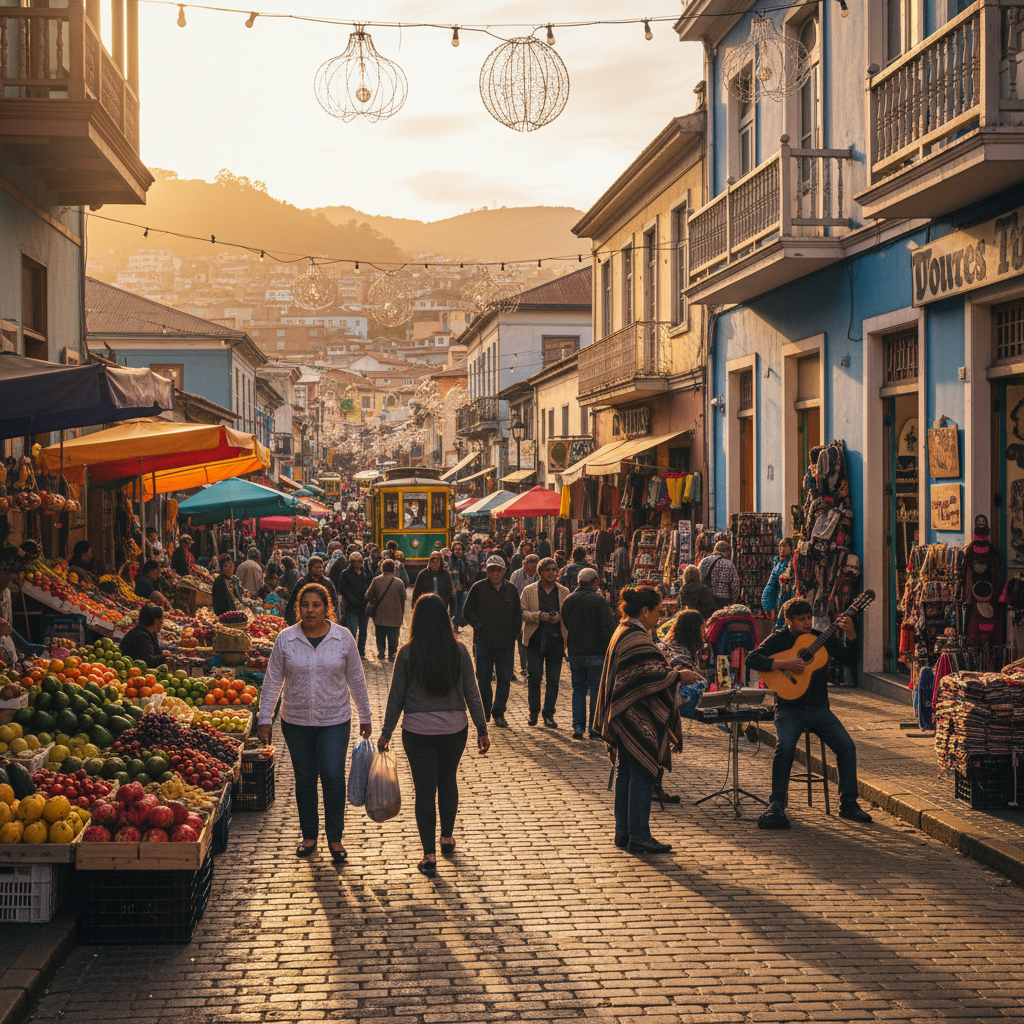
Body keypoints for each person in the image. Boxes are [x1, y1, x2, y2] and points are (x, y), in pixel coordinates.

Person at [257, 582, 372, 864]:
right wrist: (265, 717)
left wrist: (365, 715)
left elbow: (356, 679)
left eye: (316, 605)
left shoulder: (343, 638)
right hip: (295, 722)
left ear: (326, 608)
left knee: (332, 776)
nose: (310, 610)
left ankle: (335, 837)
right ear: (299, 608)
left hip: (335, 720)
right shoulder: (286, 639)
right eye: (305, 605)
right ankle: (309, 835)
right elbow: (272, 680)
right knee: (305, 779)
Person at [378, 594, 490, 877]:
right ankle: (447, 838)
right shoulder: (459, 651)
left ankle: (429, 855)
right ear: (444, 618)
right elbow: (472, 693)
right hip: (454, 729)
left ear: (415, 619)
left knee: (425, 790)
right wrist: (482, 729)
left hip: (417, 731)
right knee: (448, 780)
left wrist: (386, 733)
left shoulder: (407, 653)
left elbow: (396, 698)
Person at [747, 597, 872, 829]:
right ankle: (776, 805)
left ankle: (849, 804)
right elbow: (752, 658)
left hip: (819, 708)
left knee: (847, 746)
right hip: (789, 709)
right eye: (801, 619)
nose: (807, 623)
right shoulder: (780, 638)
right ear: (789, 621)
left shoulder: (821, 637)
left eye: (808, 618)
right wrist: (784, 664)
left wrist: (852, 634)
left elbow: (850, 659)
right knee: (785, 747)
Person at [593, 586, 682, 855]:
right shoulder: (637, 637)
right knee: (642, 771)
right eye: (657, 612)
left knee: (627, 771)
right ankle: (639, 835)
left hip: (623, 714)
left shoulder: (624, 630)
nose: (659, 617)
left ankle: (624, 832)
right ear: (644, 611)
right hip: (634, 715)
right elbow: (649, 677)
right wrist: (678, 676)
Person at [462, 555, 522, 728]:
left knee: (504, 679)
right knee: (484, 679)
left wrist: (513, 633)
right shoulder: (478, 588)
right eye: (492, 570)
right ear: (487, 571)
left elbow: (517, 614)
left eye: (498, 570)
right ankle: (485, 710)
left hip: (505, 644)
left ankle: (499, 712)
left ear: (504, 571)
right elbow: (467, 611)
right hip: (483, 643)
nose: (495, 573)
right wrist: (479, 625)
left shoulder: (511, 589)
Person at [561, 567, 617, 740]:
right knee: (595, 691)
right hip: (596, 653)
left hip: (576, 653)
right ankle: (594, 727)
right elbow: (608, 627)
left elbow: (566, 622)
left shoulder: (569, 600)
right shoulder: (598, 600)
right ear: (595, 582)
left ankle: (578, 726)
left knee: (578, 690)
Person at [520, 557, 568, 729]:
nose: (552, 573)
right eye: (548, 570)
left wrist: (560, 617)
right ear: (539, 572)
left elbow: (568, 613)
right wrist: (538, 615)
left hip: (556, 640)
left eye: (554, 569)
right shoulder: (529, 590)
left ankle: (549, 714)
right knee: (534, 677)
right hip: (535, 640)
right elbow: (522, 612)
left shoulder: (563, 591)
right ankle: (534, 712)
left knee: (553, 680)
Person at [333, 551, 373, 656]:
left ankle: (361, 651)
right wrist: (352, 599)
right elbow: (342, 589)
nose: (360, 563)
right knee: (353, 630)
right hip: (352, 607)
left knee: (363, 630)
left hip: (364, 606)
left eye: (361, 561)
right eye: (358, 561)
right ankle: (352, 652)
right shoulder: (346, 574)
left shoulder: (366, 572)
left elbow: (371, 584)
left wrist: (368, 597)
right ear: (352, 562)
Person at [366, 558, 406, 661]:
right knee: (393, 637)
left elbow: (368, 595)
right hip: (395, 615)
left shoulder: (376, 580)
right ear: (394, 569)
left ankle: (381, 653)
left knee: (380, 635)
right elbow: (403, 598)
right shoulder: (399, 582)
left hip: (380, 614)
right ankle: (392, 654)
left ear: (382, 568)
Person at [284, 556, 341, 625]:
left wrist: (336, 620)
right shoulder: (302, 583)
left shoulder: (327, 583)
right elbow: (293, 602)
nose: (320, 569)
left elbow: (334, 602)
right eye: (317, 567)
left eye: (321, 567)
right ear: (310, 568)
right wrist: (292, 622)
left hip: (324, 621)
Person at [510, 553, 540, 676]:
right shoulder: (516, 575)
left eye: (534, 569)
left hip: (536, 612)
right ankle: (524, 666)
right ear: (524, 565)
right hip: (519, 612)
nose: (532, 572)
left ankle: (533, 665)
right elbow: (512, 594)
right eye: (529, 569)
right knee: (521, 640)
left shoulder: (540, 575)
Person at [761, 538, 796, 629]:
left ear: (791, 548)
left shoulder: (795, 563)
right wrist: (768, 605)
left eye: (785, 546)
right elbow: (771, 586)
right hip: (780, 604)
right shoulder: (777, 565)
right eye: (780, 546)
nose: (781, 549)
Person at [119, 604, 167, 668]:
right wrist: (163, 657)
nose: (162, 623)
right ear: (156, 621)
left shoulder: (151, 633)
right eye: (161, 621)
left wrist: (162, 653)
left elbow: (155, 652)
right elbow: (148, 662)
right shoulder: (142, 637)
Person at [698, 540, 741, 609]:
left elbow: (698, 579)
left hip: (708, 599)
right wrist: (733, 601)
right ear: (727, 552)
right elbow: (735, 585)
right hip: (724, 600)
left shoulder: (704, 561)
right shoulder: (729, 564)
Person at [448, 541, 471, 630]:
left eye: (459, 549)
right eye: (456, 549)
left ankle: (458, 624)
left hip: (463, 587)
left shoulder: (464, 561)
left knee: (461, 606)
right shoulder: (451, 561)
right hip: (454, 587)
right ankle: (454, 626)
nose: (457, 551)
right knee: (454, 607)